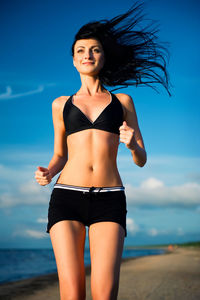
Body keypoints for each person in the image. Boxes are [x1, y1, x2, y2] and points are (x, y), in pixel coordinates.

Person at [35, 2, 170, 300]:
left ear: (104, 57)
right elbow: (60, 154)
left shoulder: (122, 102)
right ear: (73, 60)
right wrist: (48, 171)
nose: (88, 55)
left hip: (109, 198)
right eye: (81, 50)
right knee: (71, 294)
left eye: (95, 49)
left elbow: (141, 160)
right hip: (66, 196)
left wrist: (132, 143)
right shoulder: (60, 104)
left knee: (104, 294)